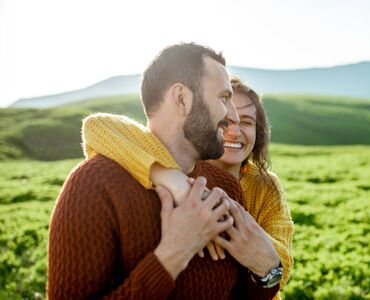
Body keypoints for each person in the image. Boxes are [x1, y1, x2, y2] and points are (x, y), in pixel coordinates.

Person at [47, 43, 281, 299]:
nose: (233, 116)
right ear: (181, 98)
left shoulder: (225, 187)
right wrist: (173, 254)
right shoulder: (93, 186)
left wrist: (266, 270)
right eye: (223, 98)